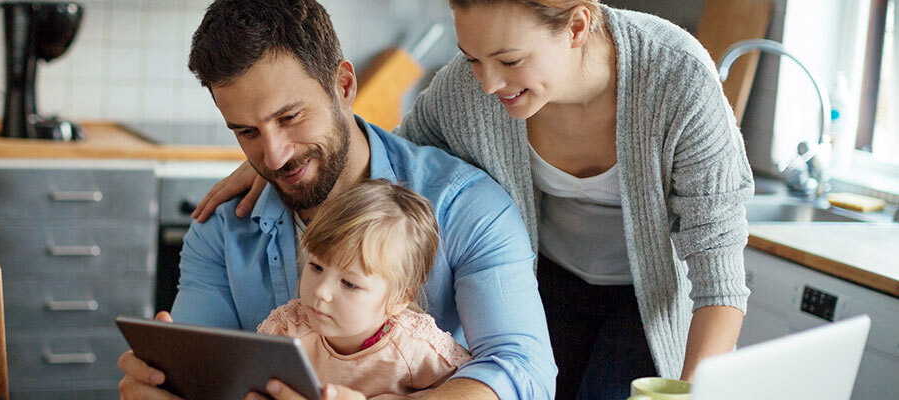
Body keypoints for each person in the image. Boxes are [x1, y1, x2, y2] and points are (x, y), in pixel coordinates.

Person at [191, 0, 755, 399]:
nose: (487, 84)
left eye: (508, 60)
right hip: (548, 275)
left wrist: (694, 392)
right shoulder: (470, 90)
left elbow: (719, 269)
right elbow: (393, 161)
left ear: (578, 26)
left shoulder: (675, 79)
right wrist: (282, 158)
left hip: (647, 293)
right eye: (471, 58)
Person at [117, 1, 557, 399]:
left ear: (344, 85)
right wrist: (164, 387)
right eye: (247, 132)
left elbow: (525, 373)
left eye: (289, 117)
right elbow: (204, 372)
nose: (274, 155)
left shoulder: (465, 205)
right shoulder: (222, 225)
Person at [258, 179, 472, 398]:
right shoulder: (285, 333)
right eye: (316, 266)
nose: (321, 291)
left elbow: (472, 388)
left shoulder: (417, 347)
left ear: (400, 298)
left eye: (349, 283)